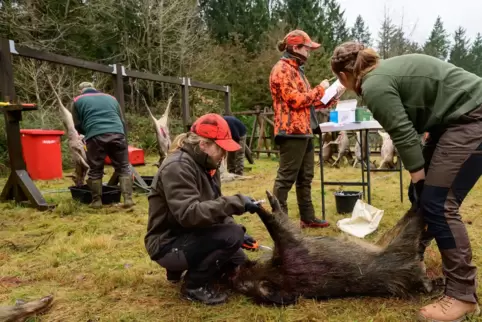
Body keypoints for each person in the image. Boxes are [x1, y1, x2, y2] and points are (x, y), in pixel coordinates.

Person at [330, 41, 482, 322]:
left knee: (439, 203)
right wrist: (419, 185)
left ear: (342, 77)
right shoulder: (383, 73)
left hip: (472, 119)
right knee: (422, 199)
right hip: (451, 122)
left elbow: (403, 134)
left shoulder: (374, 85)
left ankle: (462, 295)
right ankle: (411, 260)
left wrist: (421, 180)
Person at [145, 113, 261, 305]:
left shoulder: (207, 164)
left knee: (238, 259)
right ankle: (193, 286)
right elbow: (189, 215)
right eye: (221, 148)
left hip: (185, 234)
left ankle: (177, 270)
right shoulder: (178, 167)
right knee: (231, 236)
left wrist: (238, 231)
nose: (224, 155)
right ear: (204, 144)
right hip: (166, 242)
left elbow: (213, 205)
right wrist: (236, 203)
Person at [269, 29, 341, 229]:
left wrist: (329, 97)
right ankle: (280, 222)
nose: (309, 52)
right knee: (286, 177)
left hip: (305, 130)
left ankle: (307, 218)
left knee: (305, 177)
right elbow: (295, 100)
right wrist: (319, 89)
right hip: (291, 131)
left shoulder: (297, 70)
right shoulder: (282, 69)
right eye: (307, 48)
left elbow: (306, 104)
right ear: (295, 48)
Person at [72, 82, 134, 209]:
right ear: (95, 88)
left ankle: (96, 201)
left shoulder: (77, 100)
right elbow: (121, 120)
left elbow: (77, 124)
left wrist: (88, 132)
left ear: (81, 91)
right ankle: (128, 199)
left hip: (95, 136)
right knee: (123, 167)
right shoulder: (112, 98)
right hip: (117, 133)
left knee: (95, 169)